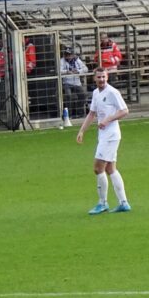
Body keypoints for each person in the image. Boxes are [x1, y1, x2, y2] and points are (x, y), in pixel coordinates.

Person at [76, 67, 131, 214]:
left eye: (103, 77)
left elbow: (124, 110)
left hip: (111, 135)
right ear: (94, 78)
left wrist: (108, 119)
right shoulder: (95, 93)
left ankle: (103, 202)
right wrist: (82, 131)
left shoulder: (112, 92)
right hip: (103, 135)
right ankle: (123, 202)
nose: (101, 79)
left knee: (97, 168)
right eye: (99, 77)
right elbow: (92, 113)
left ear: (107, 77)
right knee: (110, 169)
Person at [60, 48, 88, 117]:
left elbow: (86, 69)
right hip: (66, 82)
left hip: (77, 82)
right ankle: (69, 115)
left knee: (83, 95)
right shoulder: (62, 60)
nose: (68, 56)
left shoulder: (77, 60)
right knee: (68, 95)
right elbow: (59, 71)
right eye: (66, 54)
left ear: (72, 55)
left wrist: (78, 71)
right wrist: (67, 72)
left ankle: (79, 112)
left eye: (69, 54)